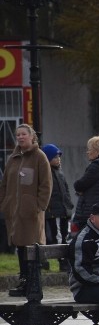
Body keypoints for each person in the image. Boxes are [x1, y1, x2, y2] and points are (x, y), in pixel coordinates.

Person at [0, 124, 52, 296]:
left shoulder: (39, 157)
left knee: (31, 247)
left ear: (32, 137)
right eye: (18, 135)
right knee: (19, 246)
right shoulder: (13, 158)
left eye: (23, 134)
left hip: (31, 213)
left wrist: (39, 206)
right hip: (14, 212)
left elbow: (46, 185)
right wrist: (4, 203)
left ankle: (32, 283)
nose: (20, 137)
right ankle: (23, 281)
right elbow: (5, 184)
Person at [42, 143, 74, 271]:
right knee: (57, 236)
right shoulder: (46, 173)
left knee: (65, 235)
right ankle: (62, 261)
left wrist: (69, 204)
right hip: (53, 212)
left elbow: (65, 190)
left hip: (63, 210)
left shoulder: (59, 172)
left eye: (58, 157)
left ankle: (65, 260)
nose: (58, 159)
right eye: (55, 157)